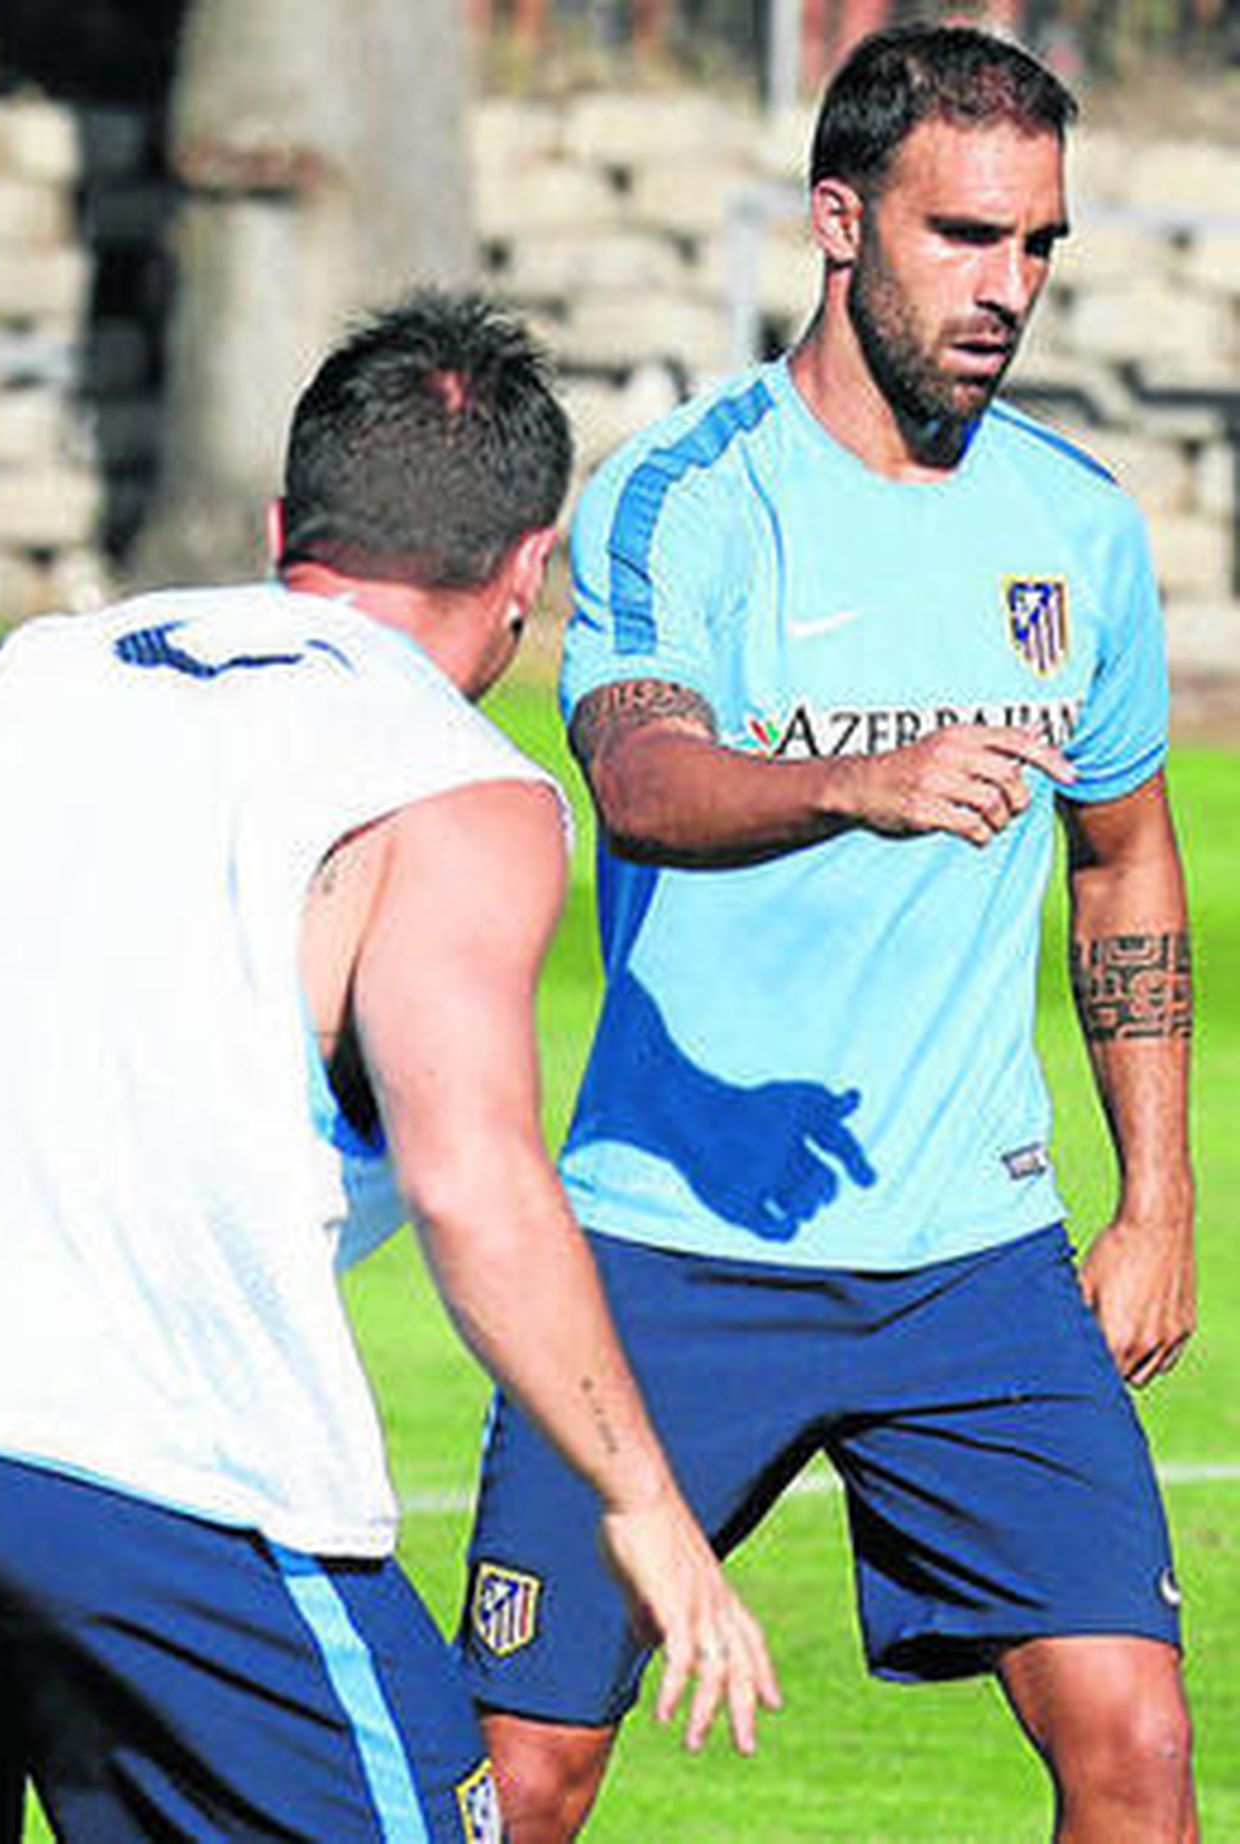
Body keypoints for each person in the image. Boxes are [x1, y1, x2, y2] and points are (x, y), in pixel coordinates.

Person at [0, 291, 778, 1843]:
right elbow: (470, 1179)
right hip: (144, 1467)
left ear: (281, 528)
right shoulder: (458, 782)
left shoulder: (32, 674)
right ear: (529, 571)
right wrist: (641, 1500)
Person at [459, 27, 1197, 1842]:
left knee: (1137, 1751)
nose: (1006, 286)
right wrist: (853, 784)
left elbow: (1124, 858)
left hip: (971, 1261)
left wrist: (1158, 1201)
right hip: (665, 1251)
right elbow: (640, 779)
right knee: (523, 1780)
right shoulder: (684, 494)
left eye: (1037, 244)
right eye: (964, 235)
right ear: (839, 221)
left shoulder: (1077, 529)